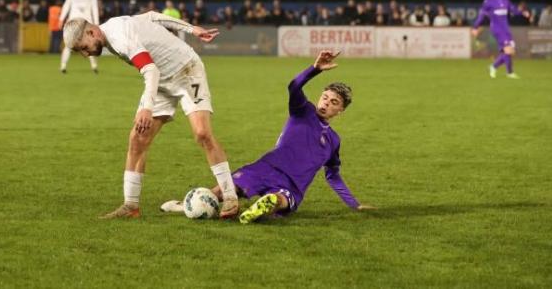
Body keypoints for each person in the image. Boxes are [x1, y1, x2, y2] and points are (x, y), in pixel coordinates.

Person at [160, 50, 374, 224]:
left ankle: (262, 206)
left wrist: (354, 204)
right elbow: (294, 86)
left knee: (280, 200)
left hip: (293, 185)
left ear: (341, 111)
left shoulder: (333, 141)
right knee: (229, 187)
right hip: (267, 167)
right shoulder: (303, 110)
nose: (326, 103)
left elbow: (333, 175)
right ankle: (187, 207)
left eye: (334, 102)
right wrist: (314, 68)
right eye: (325, 97)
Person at [62, 12, 240, 219]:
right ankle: (130, 206)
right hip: (162, 82)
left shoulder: (120, 37)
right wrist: (192, 29)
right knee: (138, 139)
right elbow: (152, 16)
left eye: (84, 48)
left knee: (202, 133)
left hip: (187, 71)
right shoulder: (113, 27)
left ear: (92, 32)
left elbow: (150, 70)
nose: (86, 54)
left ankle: (230, 197)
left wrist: (146, 108)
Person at [471, 0, 528, 79]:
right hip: (497, 29)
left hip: (506, 29)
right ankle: (502, 70)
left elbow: (513, 10)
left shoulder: (506, 0)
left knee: (510, 52)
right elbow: (481, 15)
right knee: (508, 50)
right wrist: (475, 27)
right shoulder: (488, 1)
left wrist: (522, 12)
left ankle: (502, 70)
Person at [59, 0, 99, 74]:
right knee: (69, 43)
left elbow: (94, 7)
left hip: (87, 21)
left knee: (91, 43)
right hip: (74, 20)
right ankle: (63, 66)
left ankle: (94, 66)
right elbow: (67, 4)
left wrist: (96, 22)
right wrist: (61, 18)